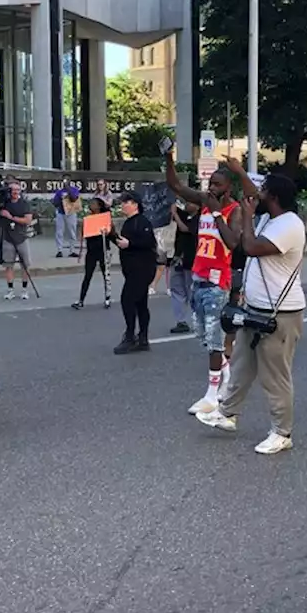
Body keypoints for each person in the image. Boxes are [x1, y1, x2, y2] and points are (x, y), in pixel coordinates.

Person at [197, 174, 307, 456]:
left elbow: (252, 248)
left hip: (280, 314)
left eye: (262, 190)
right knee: (243, 365)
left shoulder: (290, 224)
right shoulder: (269, 219)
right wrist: (224, 213)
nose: (256, 195)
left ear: (274, 196)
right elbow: (239, 242)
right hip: (254, 310)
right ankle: (227, 413)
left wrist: (246, 216)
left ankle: (282, 432)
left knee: (275, 376)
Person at [165, 147, 244, 414]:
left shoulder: (234, 210)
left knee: (214, 340)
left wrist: (217, 213)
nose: (211, 188)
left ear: (228, 188)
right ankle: (228, 377)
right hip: (198, 277)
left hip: (217, 281)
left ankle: (212, 395)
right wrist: (168, 157)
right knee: (203, 336)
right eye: (210, 184)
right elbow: (175, 185)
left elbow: (233, 242)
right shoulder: (203, 200)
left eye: (217, 185)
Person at [113, 190, 157, 354]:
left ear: (135, 205)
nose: (123, 205)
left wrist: (130, 244)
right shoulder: (129, 222)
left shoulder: (142, 222)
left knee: (127, 300)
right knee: (140, 303)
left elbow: (148, 242)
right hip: (132, 270)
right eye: (122, 202)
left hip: (142, 269)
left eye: (126, 202)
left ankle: (130, 337)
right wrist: (110, 234)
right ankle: (143, 338)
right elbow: (122, 243)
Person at [72, 196, 113, 310]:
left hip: (103, 249)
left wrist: (108, 232)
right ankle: (81, 300)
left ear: (99, 206)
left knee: (106, 275)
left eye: (93, 204)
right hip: (91, 251)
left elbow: (112, 233)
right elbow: (85, 234)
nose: (91, 206)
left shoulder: (105, 218)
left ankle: (107, 298)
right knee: (87, 275)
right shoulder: (88, 219)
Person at [0, 182, 35, 300]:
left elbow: (28, 220)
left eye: (18, 190)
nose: (16, 192)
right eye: (13, 190)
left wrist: (11, 217)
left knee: (25, 265)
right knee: (8, 265)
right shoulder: (4, 204)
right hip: (7, 237)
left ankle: (24, 290)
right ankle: (10, 290)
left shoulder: (24, 204)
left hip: (21, 237)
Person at [168, 199, 200, 333]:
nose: (187, 204)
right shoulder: (183, 215)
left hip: (191, 259)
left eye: (190, 202)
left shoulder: (199, 219)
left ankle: (197, 319)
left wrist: (175, 214)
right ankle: (180, 320)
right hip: (179, 258)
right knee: (176, 289)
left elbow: (185, 229)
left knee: (191, 290)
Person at [52, 177, 81, 257]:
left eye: (67, 180)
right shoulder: (59, 191)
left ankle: (72, 250)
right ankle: (59, 250)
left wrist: (68, 190)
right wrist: (60, 200)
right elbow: (55, 203)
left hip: (71, 213)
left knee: (72, 232)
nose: (65, 182)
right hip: (61, 213)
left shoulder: (74, 189)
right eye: (64, 180)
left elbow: (74, 198)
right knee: (59, 232)